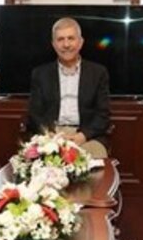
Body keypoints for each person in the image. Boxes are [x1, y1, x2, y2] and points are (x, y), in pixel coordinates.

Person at [27, 17, 111, 158]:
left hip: (86, 137)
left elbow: (103, 114)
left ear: (80, 42)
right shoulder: (40, 74)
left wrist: (82, 136)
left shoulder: (98, 73)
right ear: (54, 44)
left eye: (71, 38)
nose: (66, 44)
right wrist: (51, 136)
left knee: (90, 161)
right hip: (51, 136)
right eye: (60, 39)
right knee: (39, 161)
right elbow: (35, 114)